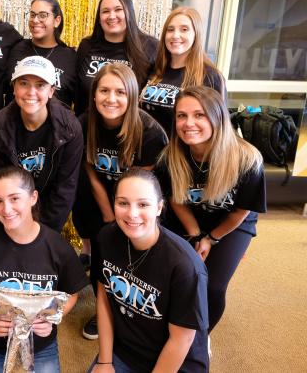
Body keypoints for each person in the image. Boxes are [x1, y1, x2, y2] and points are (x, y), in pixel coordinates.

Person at [157, 86, 265, 333]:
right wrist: (195, 235)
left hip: (230, 223)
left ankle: (200, 336)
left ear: (216, 117)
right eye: (182, 116)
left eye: (199, 115)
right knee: (176, 275)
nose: (188, 123)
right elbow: (176, 200)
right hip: (189, 217)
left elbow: (240, 211)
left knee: (213, 286)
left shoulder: (247, 159)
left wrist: (211, 239)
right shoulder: (170, 156)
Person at [72, 63, 168, 340]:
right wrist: (106, 210)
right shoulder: (84, 122)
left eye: (120, 92)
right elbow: (89, 170)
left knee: (130, 253)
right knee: (102, 247)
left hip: (137, 200)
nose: (110, 99)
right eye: (104, 90)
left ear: (132, 96)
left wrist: (121, 214)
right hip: (100, 194)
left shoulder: (150, 132)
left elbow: (143, 187)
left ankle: (130, 306)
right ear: (93, 94)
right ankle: (104, 311)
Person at [0, 166, 89, 373]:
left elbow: (72, 294)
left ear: (33, 197)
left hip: (41, 342)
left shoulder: (57, 247)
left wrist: (51, 318)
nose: (6, 209)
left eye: (14, 198)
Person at [90, 168, 209, 373]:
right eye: (123, 203)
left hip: (176, 362)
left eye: (143, 204)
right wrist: (105, 361)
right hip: (126, 351)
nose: (132, 213)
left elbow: (181, 339)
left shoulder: (185, 266)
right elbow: (104, 298)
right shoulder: (106, 238)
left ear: (159, 208)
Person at [0, 56, 82, 232]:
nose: (31, 92)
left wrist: (41, 234)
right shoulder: (0, 125)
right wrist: (4, 229)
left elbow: (64, 190)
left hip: (47, 219)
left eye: (40, 85)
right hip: (7, 216)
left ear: (51, 91)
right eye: (24, 83)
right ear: (14, 88)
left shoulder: (70, 129)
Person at [140, 7, 225, 133]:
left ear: (196, 34)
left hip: (181, 151)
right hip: (146, 148)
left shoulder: (210, 76)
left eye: (184, 29)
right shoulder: (154, 70)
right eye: (170, 30)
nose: (175, 35)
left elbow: (218, 127)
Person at [75, 0, 158, 115]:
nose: (112, 16)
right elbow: (77, 94)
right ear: (99, 18)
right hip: (87, 128)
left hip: (130, 130)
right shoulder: (87, 46)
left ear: (129, 13)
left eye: (118, 10)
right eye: (105, 11)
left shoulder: (150, 46)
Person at [6, 0, 77, 108]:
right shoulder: (16, 48)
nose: (35, 20)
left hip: (56, 124)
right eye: (33, 15)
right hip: (13, 123)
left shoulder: (71, 57)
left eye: (43, 15)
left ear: (57, 21)